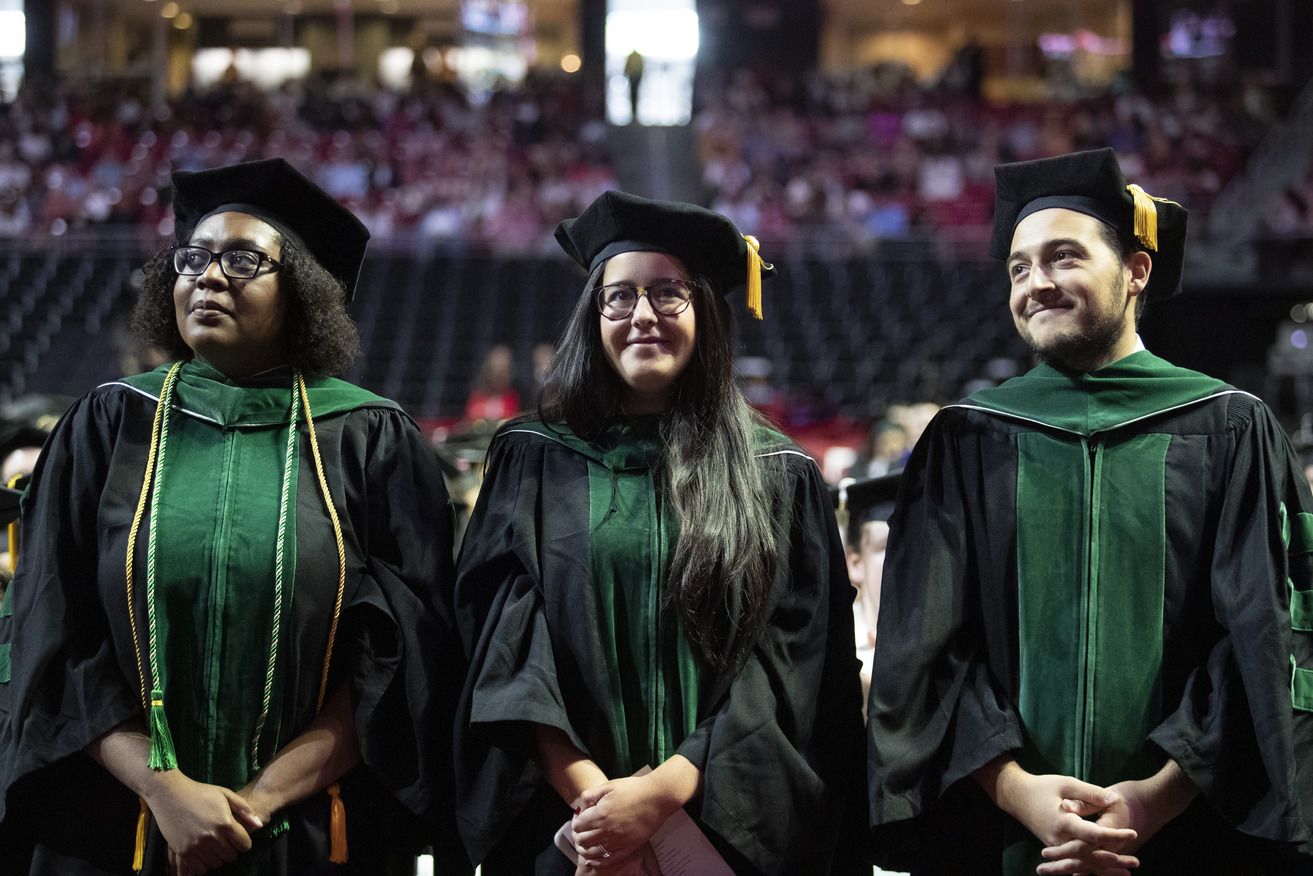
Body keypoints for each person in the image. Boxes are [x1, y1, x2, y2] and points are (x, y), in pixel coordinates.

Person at [0, 158, 468, 876]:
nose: (209, 276)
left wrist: (256, 801)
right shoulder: (110, 423)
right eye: (193, 258)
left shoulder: (369, 440)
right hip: (121, 828)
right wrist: (168, 793)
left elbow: (401, 662)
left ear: (302, 293)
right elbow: (53, 638)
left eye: (244, 259)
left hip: (306, 834)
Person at [867, 148, 1313, 874]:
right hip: (1007, 835)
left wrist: (1154, 799)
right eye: (1017, 267)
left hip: (1185, 835)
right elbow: (925, 649)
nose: (1035, 283)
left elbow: (1265, 643)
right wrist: (1018, 792)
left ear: (1135, 271)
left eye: (1062, 257)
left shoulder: (1228, 429)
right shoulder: (967, 439)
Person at [453, 191, 865, 875]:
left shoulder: (775, 473)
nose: (641, 315)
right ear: (592, 318)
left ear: (706, 310)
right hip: (568, 832)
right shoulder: (532, 458)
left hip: (727, 835)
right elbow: (507, 651)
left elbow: (790, 664)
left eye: (668, 293)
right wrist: (597, 804)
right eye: (618, 298)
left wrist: (662, 793)